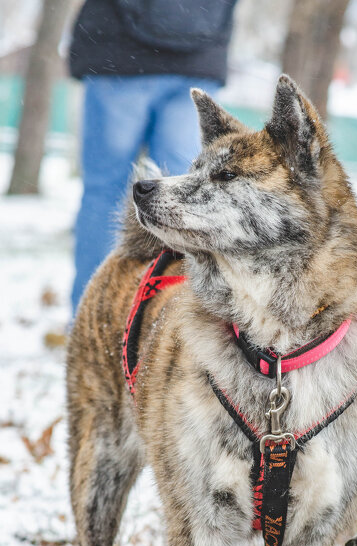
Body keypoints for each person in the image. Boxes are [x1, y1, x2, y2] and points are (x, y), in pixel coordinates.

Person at [69, 0, 238, 312]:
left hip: (117, 52)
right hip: (196, 53)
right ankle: (160, 320)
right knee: (178, 197)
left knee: (104, 190)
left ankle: (89, 317)